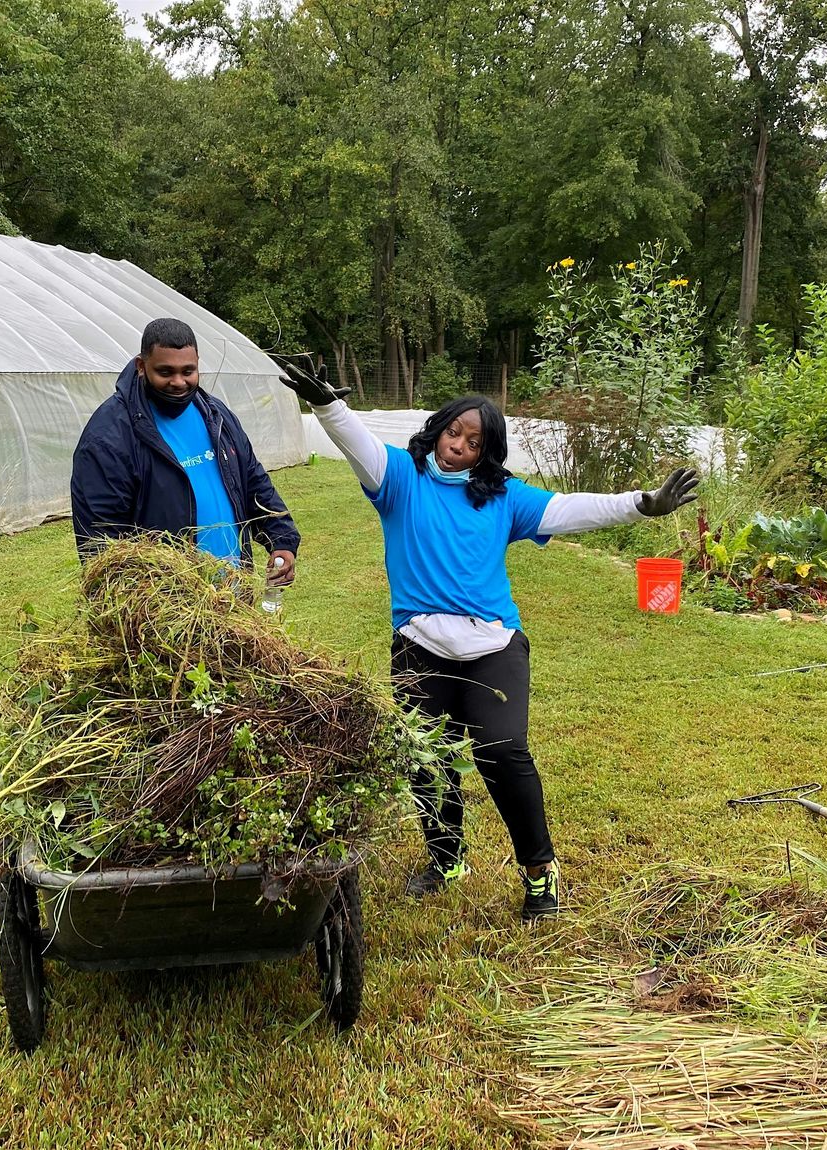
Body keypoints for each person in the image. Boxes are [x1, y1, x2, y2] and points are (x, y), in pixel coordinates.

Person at [276, 355, 697, 922]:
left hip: (493, 647)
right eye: (453, 431)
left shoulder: (505, 497)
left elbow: (572, 509)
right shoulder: (401, 480)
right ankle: (447, 859)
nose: (459, 445)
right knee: (425, 757)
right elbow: (360, 444)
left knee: (501, 751)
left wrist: (642, 504)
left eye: (473, 441)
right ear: (438, 430)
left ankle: (540, 873)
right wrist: (327, 404)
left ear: (486, 451)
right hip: (419, 645)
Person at [71, 319, 300, 589]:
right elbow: (103, 539)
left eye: (187, 370)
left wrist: (281, 537)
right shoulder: (109, 436)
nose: (178, 382)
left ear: (198, 363)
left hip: (233, 593)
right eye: (165, 372)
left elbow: (253, 480)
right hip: (169, 607)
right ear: (141, 367)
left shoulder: (215, 415)